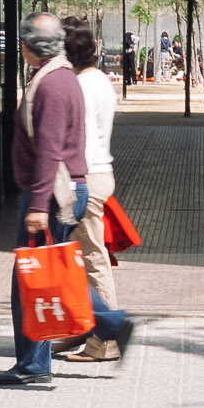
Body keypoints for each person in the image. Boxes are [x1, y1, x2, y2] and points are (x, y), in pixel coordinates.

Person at [0, 11, 133, 388]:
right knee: (44, 273)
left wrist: (37, 205)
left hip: (53, 191)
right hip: (66, 188)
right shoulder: (65, 77)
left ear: (28, 47)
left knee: (35, 276)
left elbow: (51, 150)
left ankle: (105, 327)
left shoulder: (51, 84)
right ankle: (43, 357)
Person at [59, 18, 127, 365]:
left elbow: (76, 141)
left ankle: (105, 340)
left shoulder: (79, 86)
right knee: (80, 260)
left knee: (93, 260)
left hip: (85, 177)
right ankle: (84, 328)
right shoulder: (100, 80)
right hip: (101, 171)